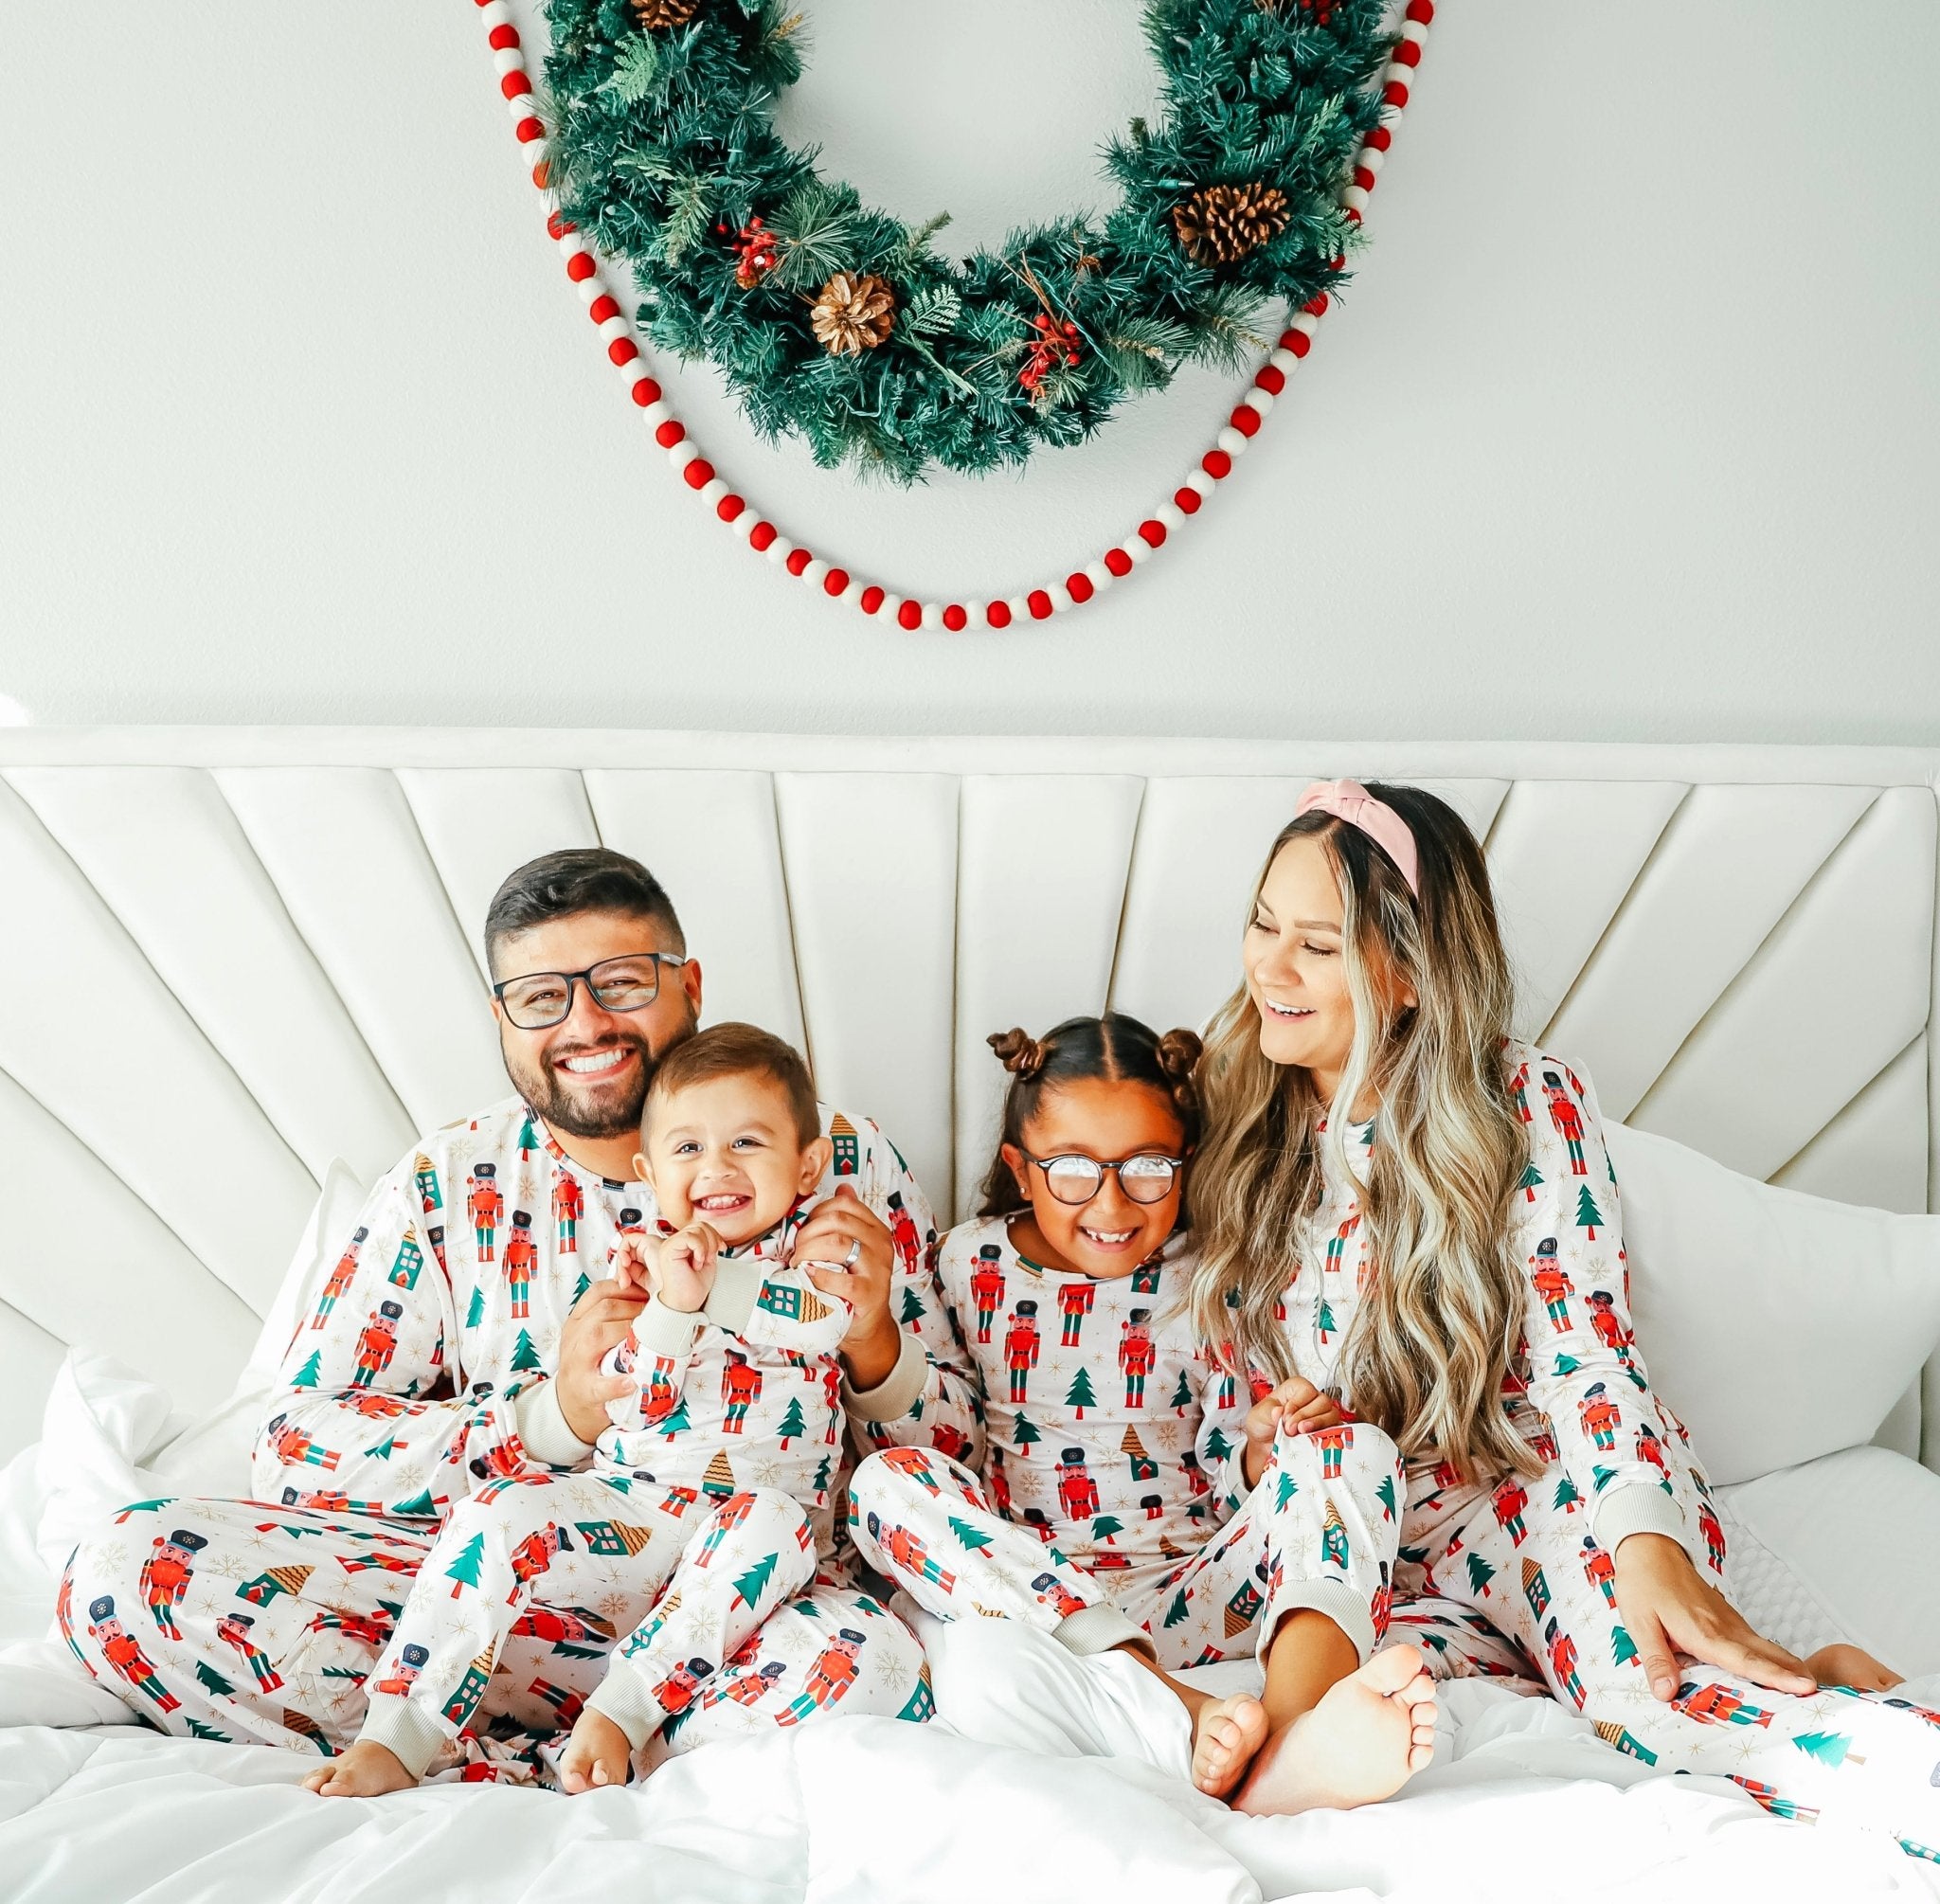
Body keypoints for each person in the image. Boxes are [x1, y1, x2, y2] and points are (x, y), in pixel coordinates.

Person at [61, 850, 978, 1780]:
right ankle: (504, 1747)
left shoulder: (839, 1160)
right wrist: (550, 1418)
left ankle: (565, 1753)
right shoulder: (448, 1183)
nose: (584, 1023)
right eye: (542, 997)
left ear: (688, 985)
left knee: (876, 1670)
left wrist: (872, 1345)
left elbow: (956, 1458)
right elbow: (294, 1450)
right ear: (501, 1019)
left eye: (618, 982)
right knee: (126, 1569)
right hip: (491, 1593)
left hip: (741, 1605)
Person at [1182, 778, 1929, 1828]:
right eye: (1262, 925)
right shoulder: (1226, 1110)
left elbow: (1584, 1352)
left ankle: (1881, 1754)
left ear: (1406, 973)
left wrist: (1641, 1539)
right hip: (1356, 1551)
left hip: (1524, 1493)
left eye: (1315, 945)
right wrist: (1260, 1442)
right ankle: (1294, 1753)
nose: (1268, 966)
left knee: (1667, 1705)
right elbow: (1204, 1398)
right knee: (1366, 1645)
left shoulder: (1524, 1103)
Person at [849, 1015, 1437, 1812]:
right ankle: (1178, 1710)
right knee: (885, 1482)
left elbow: (1232, 1463)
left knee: (1354, 1447)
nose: (1114, 1202)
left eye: (1148, 1167)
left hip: (1198, 1591)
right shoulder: (967, 1261)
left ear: (1186, 1163)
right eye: (1073, 1170)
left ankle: (1293, 1740)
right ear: (1021, 1170)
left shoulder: (1207, 1274)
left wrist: (1265, 1445)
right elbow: (949, 1444)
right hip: (1046, 1603)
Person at [309, 1022, 886, 1796]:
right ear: (650, 1171)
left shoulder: (816, 1253)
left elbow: (820, 1321)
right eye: (688, 1150)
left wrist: (706, 1288)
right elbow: (637, 1401)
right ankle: (405, 1731)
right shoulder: (642, 1261)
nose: (716, 1168)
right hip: (640, 1508)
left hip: (753, 1538)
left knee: (775, 1528)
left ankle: (621, 1714)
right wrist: (669, 1314)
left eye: (746, 1144)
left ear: (807, 1163)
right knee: (494, 1514)